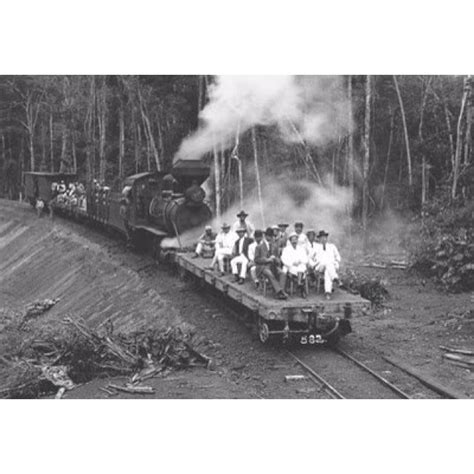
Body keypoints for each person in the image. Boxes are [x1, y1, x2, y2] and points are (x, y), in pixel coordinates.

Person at [254, 229, 288, 300]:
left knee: (282, 273)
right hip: (263, 267)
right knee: (269, 273)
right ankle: (279, 292)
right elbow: (256, 259)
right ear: (265, 236)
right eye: (269, 236)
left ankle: (279, 292)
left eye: (271, 236)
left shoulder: (274, 246)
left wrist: (275, 259)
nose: (270, 238)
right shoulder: (259, 247)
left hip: (273, 265)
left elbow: (278, 259)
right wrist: (267, 260)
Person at [314, 230, 341, 300]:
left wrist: (336, 262)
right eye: (321, 238)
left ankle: (328, 292)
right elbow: (310, 257)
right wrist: (313, 264)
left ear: (327, 238)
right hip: (320, 266)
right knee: (327, 264)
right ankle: (335, 278)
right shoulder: (316, 247)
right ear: (319, 239)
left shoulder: (332, 246)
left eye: (324, 237)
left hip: (330, 266)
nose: (323, 239)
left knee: (327, 272)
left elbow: (338, 257)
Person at [281, 232, 309, 297]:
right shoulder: (286, 249)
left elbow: (305, 258)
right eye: (292, 240)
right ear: (290, 241)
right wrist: (292, 263)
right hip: (291, 266)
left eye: (295, 239)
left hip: (299, 265)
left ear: (297, 240)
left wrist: (300, 261)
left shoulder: (301, 249)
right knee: (295, 270)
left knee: (302, 268)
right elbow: (283, 259)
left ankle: (299, 283)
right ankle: (300, 285)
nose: (294, 241)